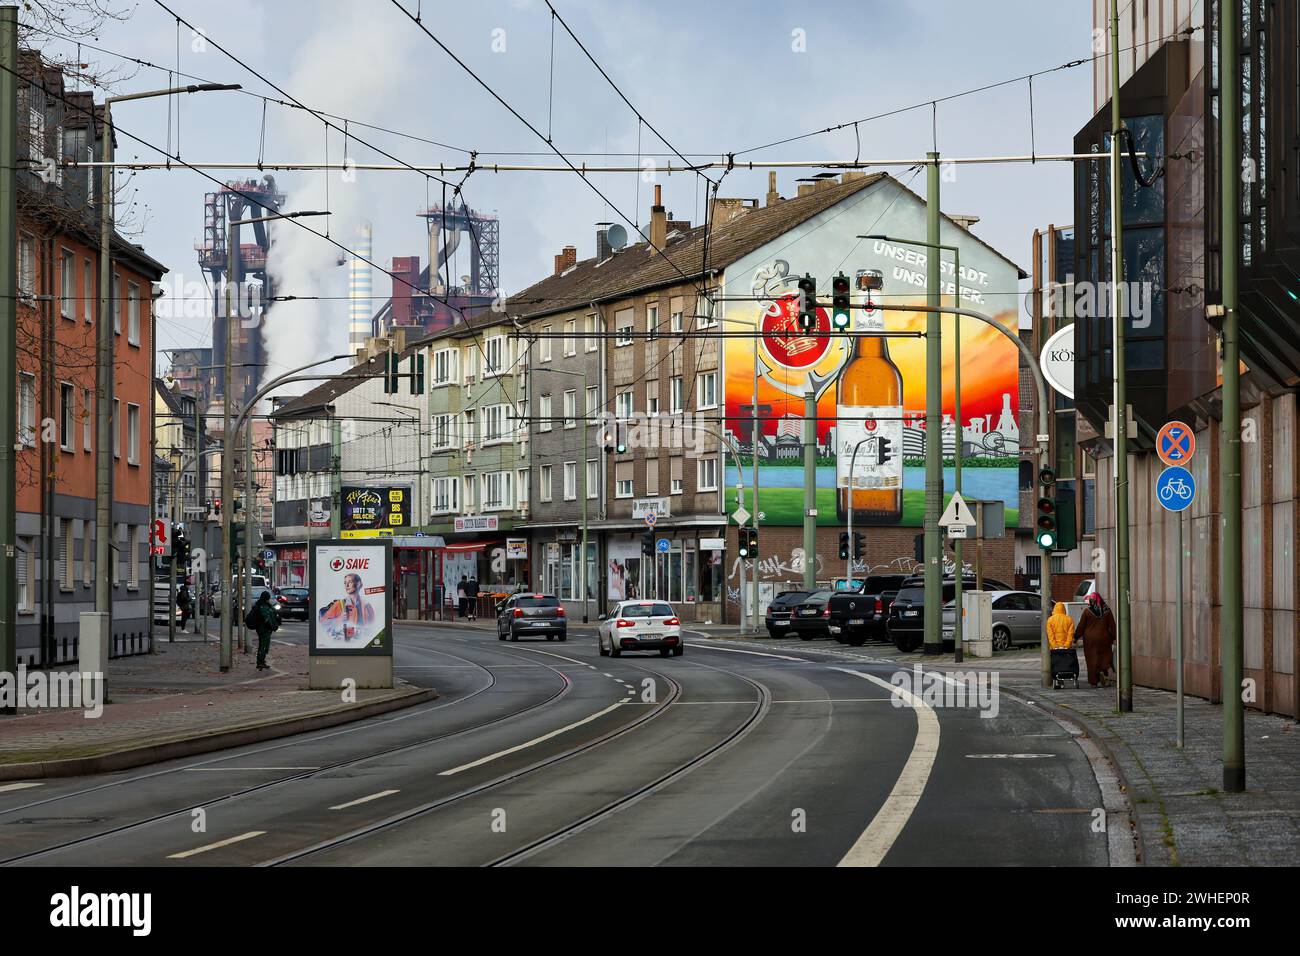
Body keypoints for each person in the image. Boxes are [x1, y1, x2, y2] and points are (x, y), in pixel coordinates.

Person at [1076, 591, 1117, 687]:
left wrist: (1076, 636)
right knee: (1104, 658)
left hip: (1090, 640)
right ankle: (1104, 673)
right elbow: (1112, 626)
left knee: (1092, 660)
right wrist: (1115, 637)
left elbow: (1081, 626)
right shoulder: (1107, 611)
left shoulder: (1087, 612)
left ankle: (1094, 682)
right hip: (1104, 638)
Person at [249, 590, 280, 671]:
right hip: (264, 629)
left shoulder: (266, 605)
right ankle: (260, 662)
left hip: (266, 629)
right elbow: (266, 619)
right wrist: (272, 626)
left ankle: (261, 661)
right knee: (263, 646)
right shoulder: (262, 606)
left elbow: (272, 614)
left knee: (264, 646)